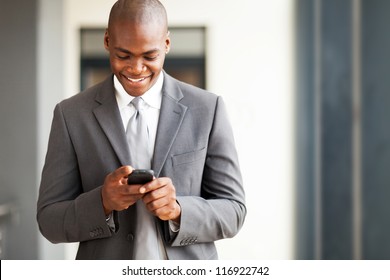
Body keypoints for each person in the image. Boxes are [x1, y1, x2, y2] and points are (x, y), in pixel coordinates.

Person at [37, 0, 246, 260]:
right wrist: (102, 202)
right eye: (123, 55)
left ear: (167, 45)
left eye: (150, 56)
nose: (136, 69)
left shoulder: (208, 109)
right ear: (107, 41)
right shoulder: (71, 115)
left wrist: (179, 210)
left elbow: (234, 210)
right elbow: (49, 220)